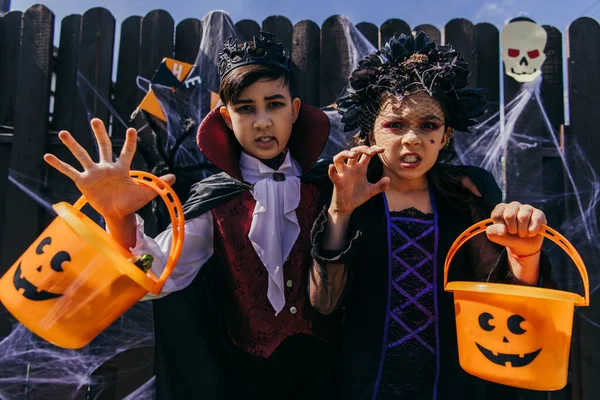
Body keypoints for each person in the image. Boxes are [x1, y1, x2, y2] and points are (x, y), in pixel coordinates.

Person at [44, 32, 338, 400]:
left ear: (294, 110)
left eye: (273, 104)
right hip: (240, 380)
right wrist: (118, 219)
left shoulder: (329, 186)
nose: (262, 121)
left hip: (326, 377)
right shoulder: (213, 202)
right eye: (246, 108)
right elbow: (158, 274)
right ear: (227, 118)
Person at [308, 33, 555, 400]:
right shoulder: (343, 191)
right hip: (365, 384)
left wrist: (526, 255)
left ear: (446, 135)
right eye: (395, 125)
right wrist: (341, 213)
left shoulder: (465, 197)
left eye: (428, 125)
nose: (412, 139)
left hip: (454, 385)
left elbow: (505, 306)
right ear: (371, 130)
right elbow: (324, 304)